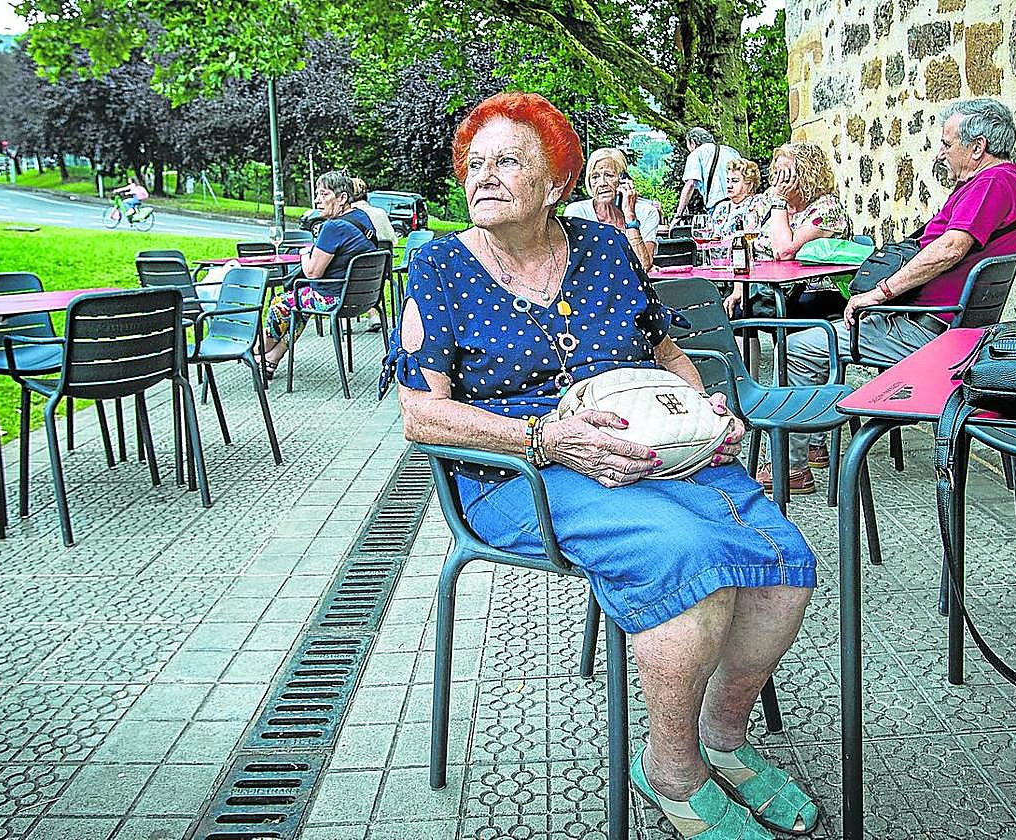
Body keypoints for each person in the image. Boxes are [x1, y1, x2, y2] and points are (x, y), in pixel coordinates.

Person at [380, 91, 818, 840]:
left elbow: (666, 352)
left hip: (654, 447)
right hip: (520, 471)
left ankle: (724, 737)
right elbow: (421, 413)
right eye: (474, 164)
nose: (482, 177)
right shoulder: (441, 266)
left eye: (508, 162)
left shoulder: (607, 250)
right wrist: (546, 438)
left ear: (556, 184)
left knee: (783, 567)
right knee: (690, 565)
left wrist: (710, 410)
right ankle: (672, 770)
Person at [771, 97, 1016, 495]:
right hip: (944, 324)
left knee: (803, 345)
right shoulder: (999, 183)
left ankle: (793, 468)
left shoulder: (993, 183)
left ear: (977, 147)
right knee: (821, 332)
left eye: (948, 143)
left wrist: (881, 292)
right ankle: (817, 444)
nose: (941, 152)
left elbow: (950, 248)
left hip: (934, 332)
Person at [260, 170, 379, 377]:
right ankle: (273, 358)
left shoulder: (333, 227)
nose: (317, 200)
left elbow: (312, 272)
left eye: (324, 194)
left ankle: (257, 350)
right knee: (300, 306)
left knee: (280, 304)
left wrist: (304, 253)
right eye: (317, 194)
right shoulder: (362, 217)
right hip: (362, 297)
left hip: (332, 298)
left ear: (342, 198)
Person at [722, 142, 852, 322]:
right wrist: (739, 289)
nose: (778, 181)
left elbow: (785, 252)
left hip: (812, 290)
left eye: (786, 174)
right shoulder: (768, 199)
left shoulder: (827, 209)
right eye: (776, 173)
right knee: (736, 308)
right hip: (770, 289)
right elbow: (743, 244)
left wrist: (780, 202)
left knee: (757, 308)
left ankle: (784, 348)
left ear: (807, 175)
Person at [564, 147, 662, 272]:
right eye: (595, 177)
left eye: (609, 175)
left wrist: (630, 217)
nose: (602, 183)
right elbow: (579, 266)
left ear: (623, 180)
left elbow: (642, 266)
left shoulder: (647, 213)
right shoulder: (577, 212)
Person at [351, 176, 397, 332]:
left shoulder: (347, 218)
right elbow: (392, 240)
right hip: (382, 269)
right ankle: (374, 315)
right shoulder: (380, 213)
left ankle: (344, 323)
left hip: (354, 273)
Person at [670, 128, 741, 228]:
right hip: (738, 204)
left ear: (693, 143)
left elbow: (690, 184)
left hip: (717, 207)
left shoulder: (696, 154)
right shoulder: (731, 151)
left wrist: (678, 215)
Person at [708, 158, 765, 240]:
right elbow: (712, 237)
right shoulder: (721, 207)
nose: (729, 186)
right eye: (728, 181)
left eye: (734, 181)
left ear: (749, 185)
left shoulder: (757, 203)